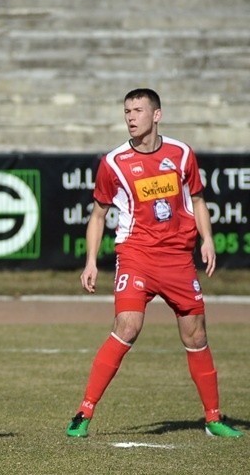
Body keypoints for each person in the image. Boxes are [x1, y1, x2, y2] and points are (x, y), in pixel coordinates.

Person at [65, 88, 243, 439]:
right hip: (137, 255)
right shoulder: (113, 162)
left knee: (196, 334)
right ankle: (83, 413)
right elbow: (98, 215)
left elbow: (197, 198)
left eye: (138, 110)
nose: (131, 117)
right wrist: (90, 262)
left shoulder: (181, 154)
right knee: (127, 325)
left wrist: (207, 239)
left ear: (156, 115)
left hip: (177, 259)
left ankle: (213, 419)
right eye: (127, 111)